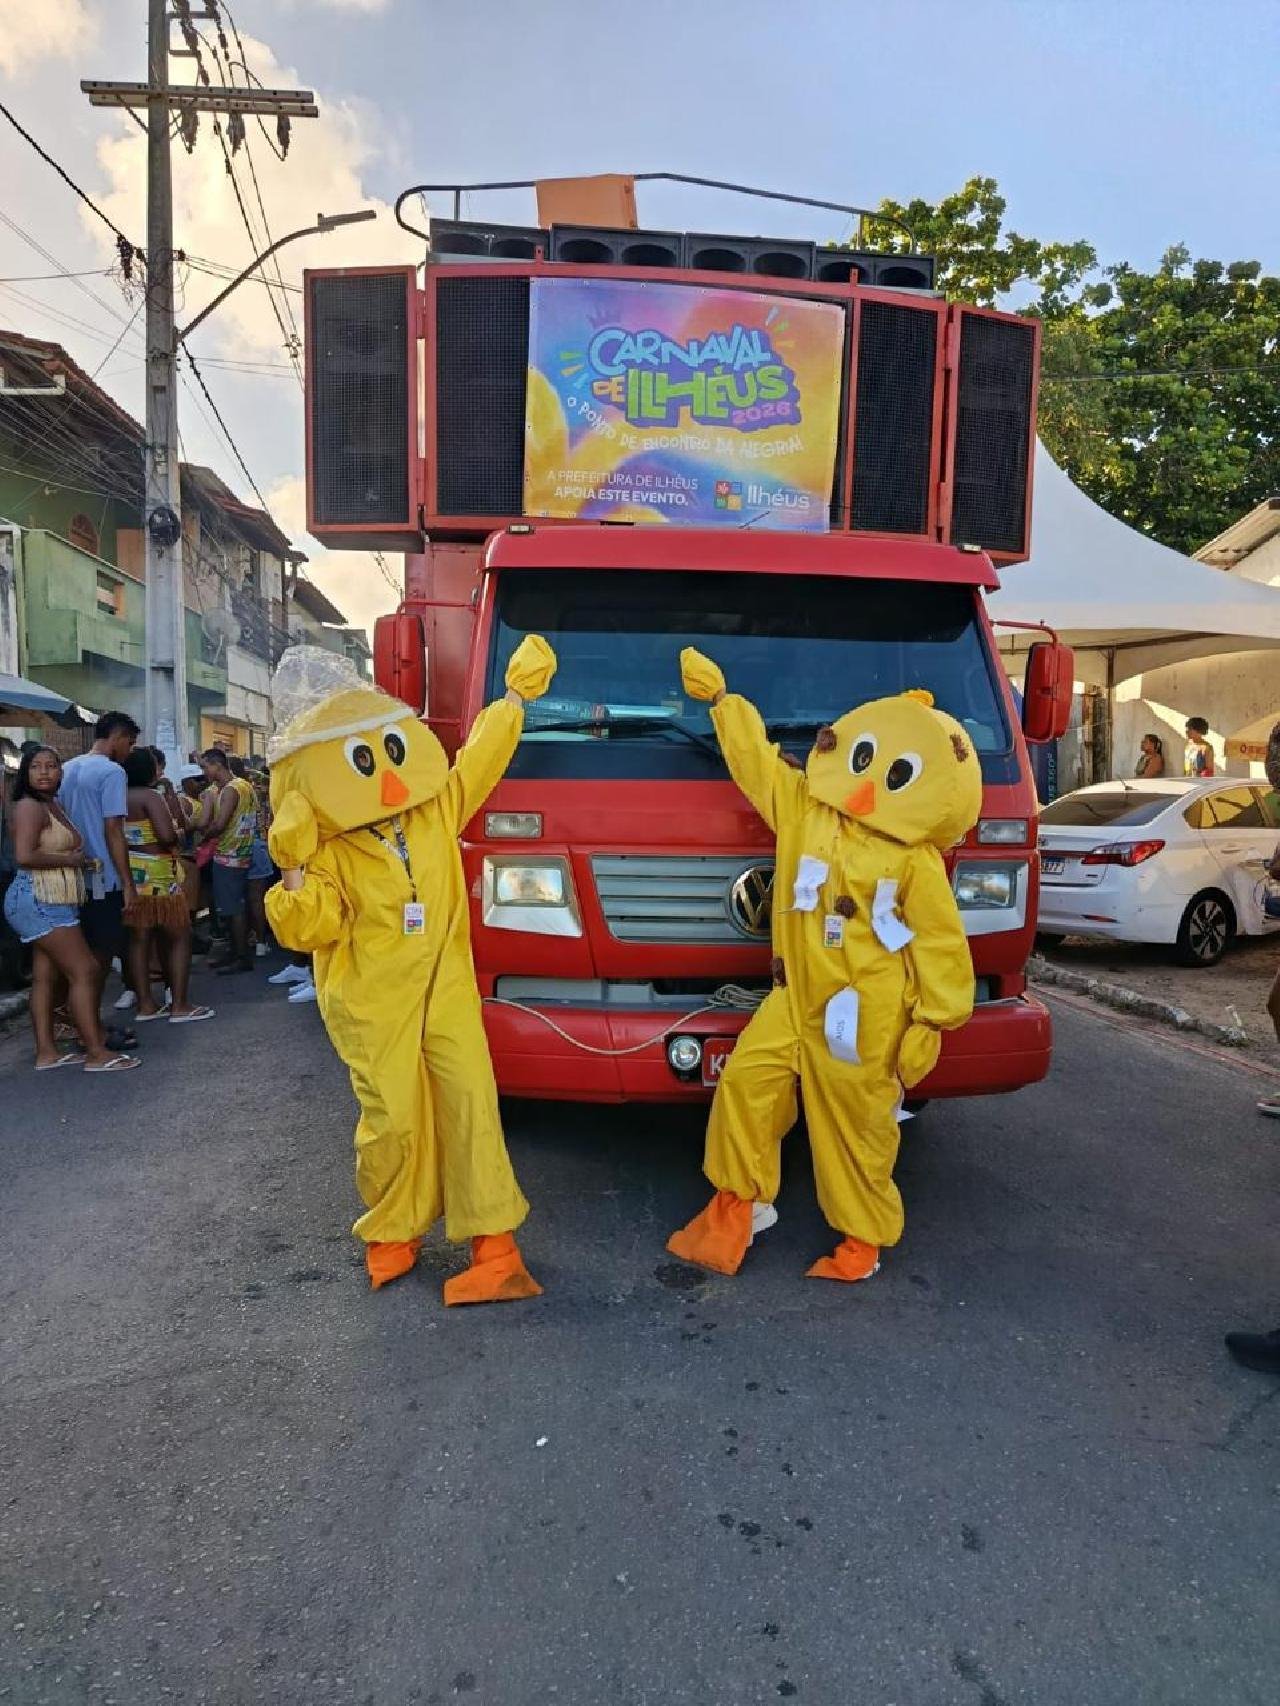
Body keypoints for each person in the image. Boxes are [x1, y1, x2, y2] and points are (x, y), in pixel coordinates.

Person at [667, 651, 981, 1284]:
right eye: (862, 763)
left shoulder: (914, 861)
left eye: (892, 774)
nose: (865, 786)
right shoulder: (806, 810)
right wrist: (724, 702)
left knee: (855, 1126)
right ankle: (741, 1204)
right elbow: (756, 763)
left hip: (865, 1014)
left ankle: (863, 1237)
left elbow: (941, 946)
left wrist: (934, 1021)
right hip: (794, 997)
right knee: (747, 1087)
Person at [264, 636, 556, 1301]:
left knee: (470, 1103)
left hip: (445, 989)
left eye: (389, 751)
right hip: (372, 1004)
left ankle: (494, 1243)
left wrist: (514, 699)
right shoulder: (333, 851)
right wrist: (294, 865)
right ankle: (395, 1229)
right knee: (392, 1118)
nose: (388, 777)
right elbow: (309, 928)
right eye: (362, 762)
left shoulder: (434, 809)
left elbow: (479, 760)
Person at [2, 745, 138, 1071]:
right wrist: (70, 860)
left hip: (52, 898)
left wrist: (79, 863)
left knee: (45, 978)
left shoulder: (52, 804)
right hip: (39, 899)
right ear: (26, 773)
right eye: (37, 767)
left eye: (52, 765)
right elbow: (24, 856)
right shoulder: (30, 807)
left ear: (61, 772)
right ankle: (96, 1053)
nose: (45, 772)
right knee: (86, 970)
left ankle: (47, 1054)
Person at [58, 711, 140, 1050]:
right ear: (117, 736)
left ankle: (87, 1027)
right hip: (103, 877)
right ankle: (91, 1033)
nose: (130, 751)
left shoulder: (68, 768)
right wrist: (128, 883)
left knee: (82, 962)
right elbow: (113, 830)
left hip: (72, 877)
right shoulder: (111, 771)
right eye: (130, 743)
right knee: (100, 960)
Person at [122, 747, 214, 1024]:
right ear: (150, 770)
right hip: (159, 870)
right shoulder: (151, 796)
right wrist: (177, 831)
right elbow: (166, 835)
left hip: (133, 868)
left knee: (139, 940)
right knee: (179, 936)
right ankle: (180, 1005)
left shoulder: (119, 795)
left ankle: (146, 1005)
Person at [200, 747, 259, 975]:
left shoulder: (230, 790)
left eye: (205, 767)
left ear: (217, 765)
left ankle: (241, 956)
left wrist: (204, 838)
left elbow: (220, 824)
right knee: (236, 906)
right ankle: (236, 953)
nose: (204, 772)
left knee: (233, 908)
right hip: (242, 851)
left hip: (229, 854)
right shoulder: (244, 785)